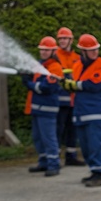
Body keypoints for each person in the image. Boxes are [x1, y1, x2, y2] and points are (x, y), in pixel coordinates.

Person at [62, 33, 101, 187]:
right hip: (81, 111)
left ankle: (100, 173)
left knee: (95, 143)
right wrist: (66, 83)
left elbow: (95, 85)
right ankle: (94, 170)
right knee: (84, 144)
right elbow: (75, 82)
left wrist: (75, 85)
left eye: (96, 49)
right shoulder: (77, 65)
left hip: (96, 111)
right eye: (91, 50)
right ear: (83, 51)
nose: (95, 52)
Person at [22, 37, 64, 177]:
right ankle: (43, 162)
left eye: (46, 50)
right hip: (36, 108)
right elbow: (36, 82)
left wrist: (29, 84)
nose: (44, 52)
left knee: (49, 138)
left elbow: (46, 87)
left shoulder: (55, 67)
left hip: (47, 109)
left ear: (53, 51)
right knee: (38, 138)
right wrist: (26, 75)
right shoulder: (39, 65)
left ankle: (54, 164)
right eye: (42, 50)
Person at [54, 27, 84, 167]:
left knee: (73, 129)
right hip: (59, 100)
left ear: (71, 40)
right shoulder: (54, 56)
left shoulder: (77, 58)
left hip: (73, 100)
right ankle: (56, 157)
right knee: (58, 129)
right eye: (60, 39)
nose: (62, 41)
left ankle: (71, 156)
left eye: (65, 38)